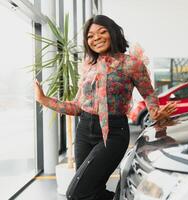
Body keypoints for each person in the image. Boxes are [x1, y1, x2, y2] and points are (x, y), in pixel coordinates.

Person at [34, 15, 176, 200]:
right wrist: (44, 99)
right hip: (84, 130)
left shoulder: (132, 63)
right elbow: (77, 107)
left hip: (114, 132)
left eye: (102, 32)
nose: (96, 38)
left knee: (76, 192)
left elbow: (149, 94)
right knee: (91, 191)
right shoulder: (89, 65)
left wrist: (155, 111)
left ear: (114, 33)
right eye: (90, 35)